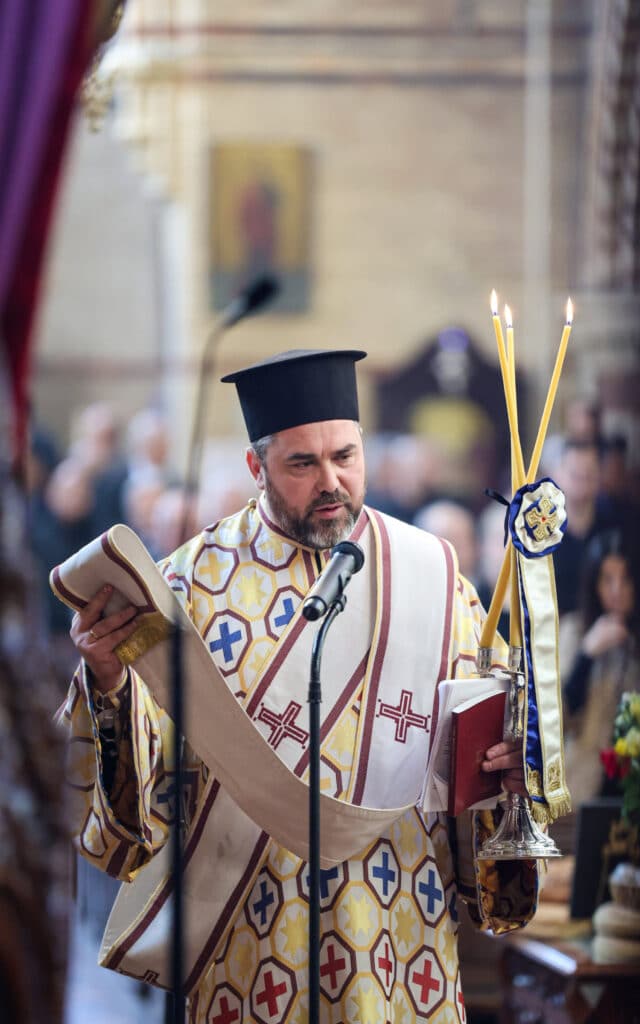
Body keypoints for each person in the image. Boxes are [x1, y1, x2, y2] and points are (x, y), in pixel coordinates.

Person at [57, 349, 540, 1023]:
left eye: (345, 456)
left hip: (400, 941)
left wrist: (508, 775)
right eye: (302, 464)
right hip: (251, 952)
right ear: (256, 468)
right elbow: (135, 812)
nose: (332, 481)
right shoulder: (188, 587)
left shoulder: (429, 576)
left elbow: (475, 774)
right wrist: (107, 678)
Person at [562, 529, 640, 809]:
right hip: (584, 782)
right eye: (607, 579)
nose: (616, 590)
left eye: (626, 579)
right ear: (594, 583)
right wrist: (587, 654)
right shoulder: (573, 631)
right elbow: (557, 716)